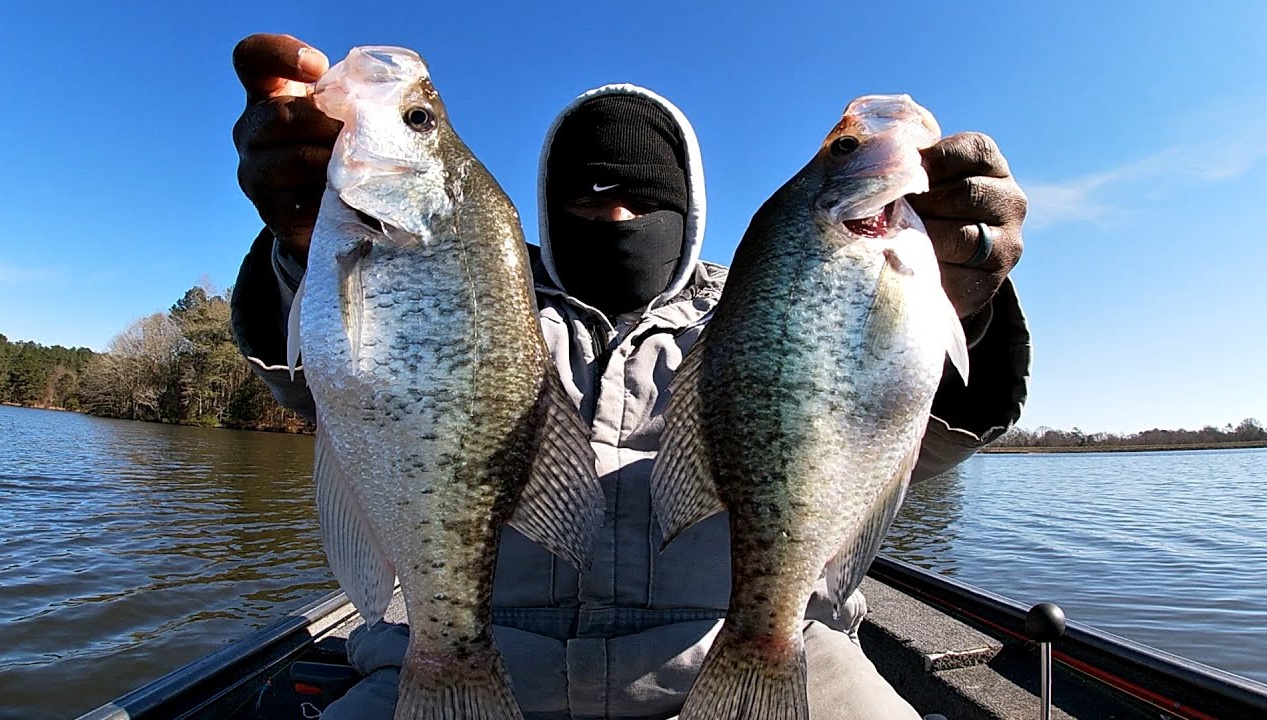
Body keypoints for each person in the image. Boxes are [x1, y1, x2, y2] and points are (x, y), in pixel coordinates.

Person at [229, 33, 1030, 720]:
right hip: (463, 653)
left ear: (688, 205)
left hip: (765, 648)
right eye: (586, 198)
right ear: (543, 205)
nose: (614, 217)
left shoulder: (758, 308)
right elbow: (322, 379)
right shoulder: (483, 297)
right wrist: (299, 253)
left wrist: (969, 311)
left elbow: (903, 435)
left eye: (641, 197)